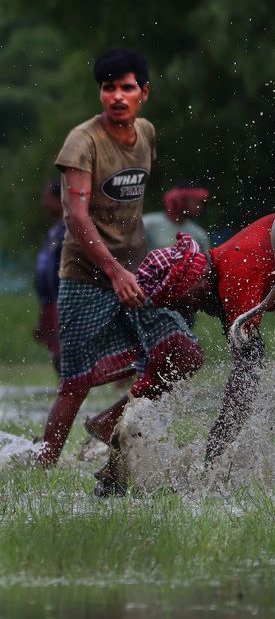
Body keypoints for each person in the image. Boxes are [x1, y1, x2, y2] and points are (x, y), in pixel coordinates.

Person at [38, 48, 203, 469]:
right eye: (108, 88)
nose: (116, 96)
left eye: (126, 87)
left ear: (143, 92)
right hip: (85, 278)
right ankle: (43, 465)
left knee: (184, 353)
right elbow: (75, 215)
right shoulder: (83, 141)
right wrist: (113, 271)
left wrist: (141, 269)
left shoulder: (146, 133)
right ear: (101, 93)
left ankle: (111, 419)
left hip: (135, 274)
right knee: (75, 383)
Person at [134, 213, 275, 462]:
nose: (192, 310)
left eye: (185, 302)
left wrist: (216, 445)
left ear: (196, 280)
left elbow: (250, 364)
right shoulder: (220, 267)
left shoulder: (234, 277)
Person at [33, 177, 66, 373]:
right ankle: (66, 396)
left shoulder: (70, 231)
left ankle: (70, 398)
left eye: (47, 197)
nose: (44, 203)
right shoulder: (54, 232)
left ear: (61, 199)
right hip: (49, 304)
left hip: (62, 302)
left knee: (63, 355)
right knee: (55, 354)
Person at [143, 181, 212, 250]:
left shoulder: (199, 235)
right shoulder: (148, 224)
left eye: (201, 203)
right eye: (196, 202)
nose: (199, 207)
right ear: (180, 200)